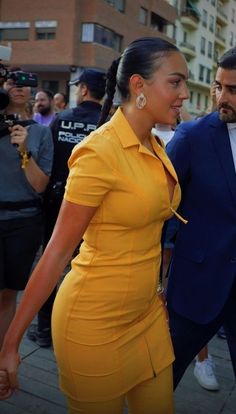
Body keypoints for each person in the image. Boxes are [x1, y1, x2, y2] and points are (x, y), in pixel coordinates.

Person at [0, 37, 189, 413]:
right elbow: (56, 253)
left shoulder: (155, 145)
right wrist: (10, 345)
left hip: (148, 316)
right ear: (138, 85)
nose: (184, 93)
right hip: (93, 322)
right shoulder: (98, 152)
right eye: (175, 82)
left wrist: (157, 294)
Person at [165, 46, 236, 390]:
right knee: (161, 381)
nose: (222, 97)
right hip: (196, 286)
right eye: (218, 86)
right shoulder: (191, 137)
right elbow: (161, 212)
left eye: (233, 90)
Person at [27, 68, 106, 347]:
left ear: (83, 89)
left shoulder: (62, 120)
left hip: (58, 204)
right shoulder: (107, 124)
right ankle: (76, 332)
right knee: (85, 271)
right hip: (96, 209)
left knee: (51, 263)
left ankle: (45, 329)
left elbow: (46, 161)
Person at [0, 69, 53, 349]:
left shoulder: (41, 132)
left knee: (8, 295)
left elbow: (40, 185)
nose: (19, 89)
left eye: (26, 84)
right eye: (12, 83)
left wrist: (23, 152)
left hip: (23, 223)